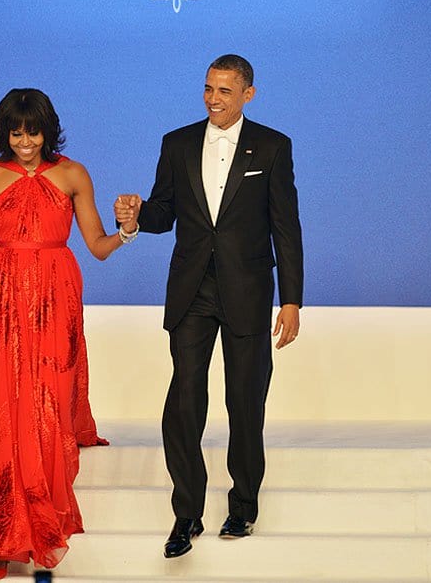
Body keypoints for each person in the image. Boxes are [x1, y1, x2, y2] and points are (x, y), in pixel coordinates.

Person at [115, 54, 303, 558]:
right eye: (207, 89)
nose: (213, 99)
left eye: (223, 91)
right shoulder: (176, 143)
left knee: (245, 404)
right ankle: (187, 515)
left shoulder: (273, 146)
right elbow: (164, 212)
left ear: (248, 94)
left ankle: (242, 507)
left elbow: (286, 227)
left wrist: (291, 300)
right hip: (192, 291)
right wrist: (135, 219)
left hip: (248, 291)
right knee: (183, 405)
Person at [0, 89, 138, 581]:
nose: (26, 142)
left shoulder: (73, 175)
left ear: (47, 130)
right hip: (2, 303)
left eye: (33, 131)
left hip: (56, 301)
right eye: (16, 132)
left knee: (48, 408)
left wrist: (127, 230)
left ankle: (45, 524)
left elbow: (96, 246)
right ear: (4, 133)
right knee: (0, 417)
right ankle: (1, 536)